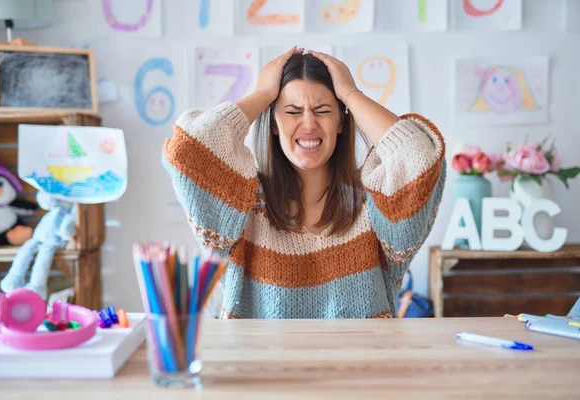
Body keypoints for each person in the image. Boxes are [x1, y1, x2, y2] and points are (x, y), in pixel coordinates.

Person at [162, 47, 446, 319]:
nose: (309, 124)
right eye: (293, 112)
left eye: (322, 111)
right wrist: (262, 94)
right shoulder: (240, 209)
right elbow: (188, 151)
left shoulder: (374, 208)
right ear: (273, 123)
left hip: (363, 368)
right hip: (257, 368)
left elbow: (420, 158)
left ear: (341, 122)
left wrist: (351, 94)